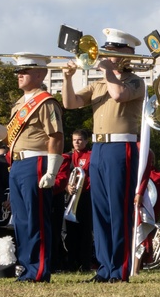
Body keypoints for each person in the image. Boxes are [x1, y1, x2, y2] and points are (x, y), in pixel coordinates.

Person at [61, 28, 144, 282]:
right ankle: (105, 267)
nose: (107, 54)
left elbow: (119, 95)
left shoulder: (134, 81)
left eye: (114, 50)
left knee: (119, 210)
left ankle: (120, 269)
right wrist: (67, 78)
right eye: (107, 49)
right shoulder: (98, 84)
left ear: (127, 54)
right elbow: (70, 103)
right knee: (100, 212)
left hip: (121, 147)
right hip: (98, 148)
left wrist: (108, 70)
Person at [0, 53, 64, 282]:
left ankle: (38, 270)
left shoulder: (45, 102)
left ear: (40, 74)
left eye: (25, 71)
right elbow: (8, 137)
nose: (19, 75)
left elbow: (56, 136)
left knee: (36, 218)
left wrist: (52, 170)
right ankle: (28, 267)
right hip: (16, 163)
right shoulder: (19, 104)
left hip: (36, 161)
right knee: (22, 219)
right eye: (18, 71)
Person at [62, 129, 94, 271]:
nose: (77, 142)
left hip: (86, 196)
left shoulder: (91, 156)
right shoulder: (67, 156)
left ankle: (85, 264)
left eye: (80, 140)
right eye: (74, 140)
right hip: (71, 197)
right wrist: (67, 186)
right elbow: (62, 175)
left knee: (86, 232)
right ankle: (71, 263)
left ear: (86, 141)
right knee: (71, 233)